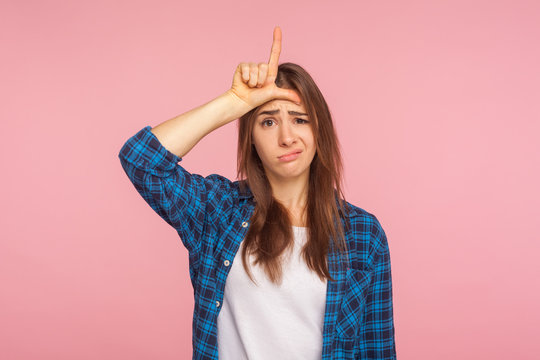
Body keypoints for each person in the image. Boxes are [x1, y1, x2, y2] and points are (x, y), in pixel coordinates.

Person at [118, 26, 396, 360]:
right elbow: (141, 160)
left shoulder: (364, 234)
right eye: (268, 122)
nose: (286, 137)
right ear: (250, 137)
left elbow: (376, 351)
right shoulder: (217, 210)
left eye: (300, 120)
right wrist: (233, 103)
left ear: (319, 130)